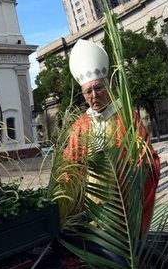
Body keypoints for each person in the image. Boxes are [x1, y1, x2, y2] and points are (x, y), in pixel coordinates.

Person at [64, 39, 160, 235]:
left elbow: (146, 156)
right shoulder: (80, 125)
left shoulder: (125, 116)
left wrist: (133, 177)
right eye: (88, 91)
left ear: (107, 87)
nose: (94, 95)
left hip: (123, 201)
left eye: (98, 88)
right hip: (91, 206)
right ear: (83, 95)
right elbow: (70, 164)